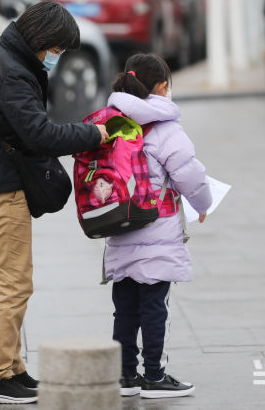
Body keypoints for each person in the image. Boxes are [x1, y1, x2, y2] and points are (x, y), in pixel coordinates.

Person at [0, 0, 108, 405]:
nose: (54, 58)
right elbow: (40, 135)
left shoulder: (3, 57)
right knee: (13, 285)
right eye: (56, 50)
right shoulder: (12, 72)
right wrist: (93, 136)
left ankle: (11, 368)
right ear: (41, 39)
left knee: (1, 283)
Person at [102, 53, 212, 399]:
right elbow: (189, 174)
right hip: (157, 231)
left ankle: (124, 376)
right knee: (153, 307)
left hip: (119, 228)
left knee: (125, 308)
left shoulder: (112, 121)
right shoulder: (165, 128)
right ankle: (154, 376)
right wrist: (203, 204)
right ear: (163, 88)